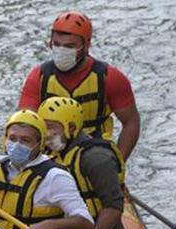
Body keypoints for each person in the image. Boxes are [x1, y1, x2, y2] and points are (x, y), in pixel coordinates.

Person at [17, 11, 140, 160]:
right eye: (56, 44)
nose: (61, 50)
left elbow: (131, 122)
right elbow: (25, 124)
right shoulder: (39, 77)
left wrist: (118, 164)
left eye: (69, 46)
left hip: (96, 155)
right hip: (50, 152)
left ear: (86, 45)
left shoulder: (110, 78)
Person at [38, 96, 128, 229]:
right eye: (42, 127)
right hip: (66, 227)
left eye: (50, 127)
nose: (45, 133)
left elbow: (113, 206)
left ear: (70, 127)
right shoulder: (52, 151)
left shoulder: (96, 159)